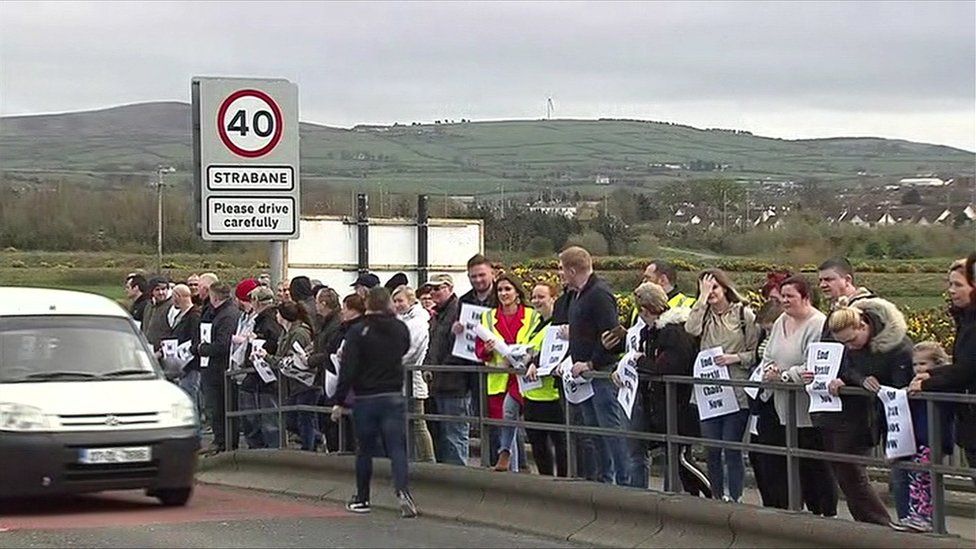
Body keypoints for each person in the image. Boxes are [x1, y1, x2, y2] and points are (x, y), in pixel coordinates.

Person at [825, 291, 914, 526]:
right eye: (843, 343)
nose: (849, 347)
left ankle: (904, 522)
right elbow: (846, 368)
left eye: (852, 341)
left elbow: (901, 385)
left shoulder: (899, 346)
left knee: (903, 472)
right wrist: (856, 379)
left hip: (897, 415)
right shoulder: (852, 346)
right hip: (868, 413)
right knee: (847, 466)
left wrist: (875, 382)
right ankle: (878, 522)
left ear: (864, 325)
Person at [332, 287, 417, 518]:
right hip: (393, 394)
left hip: (366, 398)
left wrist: (341, 400)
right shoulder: (400, 328)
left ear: (368, 304)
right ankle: (402, 490)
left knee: (365, 450)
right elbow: (405, 349)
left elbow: (348, 369)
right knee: (397, 447)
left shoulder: (358, 331)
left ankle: (362, 498)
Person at [621, 282, 711, 496]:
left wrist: (639, 361)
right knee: (677, 458)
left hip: (678, 404)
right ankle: (696, 496)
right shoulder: (656, 331)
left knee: (681, 457)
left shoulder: (672, 332)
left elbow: (667, 366)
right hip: (666, 404)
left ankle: (712, 492)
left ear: (644, 310)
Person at [760, 275, 837, 516]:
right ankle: (794, 508)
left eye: (790, 296)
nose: (784, 301)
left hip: (807, 408)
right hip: (780, 404)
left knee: (814, 463)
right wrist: (769, 370)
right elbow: (768, 354)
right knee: (785, 460)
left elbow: (813, 366)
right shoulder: (782, 319)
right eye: (782, 296)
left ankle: (824, 511)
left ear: (805, 297)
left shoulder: (818, 324)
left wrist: (784, 375)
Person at [558, 246, 633, 486]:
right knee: (595, 431)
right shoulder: (577, 295)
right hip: (584, 375)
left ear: (571, 270)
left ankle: (623, 482)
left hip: (600, 373)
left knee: (610, 430)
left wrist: (591, 361)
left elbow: (612, 336)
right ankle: (604, 479)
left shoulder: (599, 294)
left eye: (561, 269)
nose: (559, 274)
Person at [684, 269, 759, 503]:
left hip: (736, 391)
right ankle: (717, 495)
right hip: (708, 393)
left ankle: (734, 495)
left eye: (714, 287)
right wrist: (701, 300)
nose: (711, 293)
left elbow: (754, 353)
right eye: (705, 288)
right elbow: (691, 329)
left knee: (731, 447)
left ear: (725, 287)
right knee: (712, 448)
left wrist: (734, 358)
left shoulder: (743, 315)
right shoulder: (703, 314)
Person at [911, 254, 976, 486]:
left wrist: (928, 381)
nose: (951, 290)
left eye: (958, 285)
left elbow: (967, 370)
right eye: (950, 284)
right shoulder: (966, 320)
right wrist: (932, 374)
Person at [475, 274, 539, 472]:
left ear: (517, 292)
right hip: (498, 377)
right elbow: (479, 350)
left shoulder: (531, 315)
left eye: (508, 289)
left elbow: (538, 342)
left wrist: (526, 355)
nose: (503, 293)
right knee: (505, 423)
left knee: (510, 416)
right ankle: (514, 468)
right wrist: (487, 348)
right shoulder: (487, 317)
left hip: (523, 375)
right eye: (500, 290)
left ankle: (511, 461)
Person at [896, 341, 956, 532]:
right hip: (920, 436)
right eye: (915, 365)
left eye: (923, 364)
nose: (918, 369)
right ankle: (915, 514)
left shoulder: (940, 384)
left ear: (937, 364)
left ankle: (926, 517)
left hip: (934, 436)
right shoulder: (916, 384)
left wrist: (926, 385)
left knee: (924, 476)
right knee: (916, 476)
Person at [523, 281, 568, 477]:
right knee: (538, 445)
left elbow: (553, 351)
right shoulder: (534, 323)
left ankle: (563, 483)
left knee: (561, 445)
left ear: (553, 299)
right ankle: (545, 482)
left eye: (541, 297)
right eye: (534, 297)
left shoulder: (559, 324)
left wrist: (534, 359)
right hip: (532, 393)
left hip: (552, 394)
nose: (536, 301)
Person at [746, 298, 783, 508]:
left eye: (770, 331)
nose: (767, 335)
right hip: (759, 397)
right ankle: (768, 501)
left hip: (774, 401)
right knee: (757, 455)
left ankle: (779, 503)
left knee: (772, 458)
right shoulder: (765, 337)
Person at [392, 285, 436, 463]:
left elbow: (411, 350)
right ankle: (413, 458)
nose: (397, 304)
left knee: (417, 422)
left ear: (411, 300)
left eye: (400, 300)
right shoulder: (402, 320)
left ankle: (428, 459)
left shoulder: (417, 321)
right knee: (408, 422)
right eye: (395, 301)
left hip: (413, 377)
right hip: (401, 377)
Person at [197, 282, 240, 453]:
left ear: (214, 296)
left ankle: (225, 441)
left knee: (221, 406)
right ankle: (220, 439)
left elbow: (223, 344)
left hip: (219, 369)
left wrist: (202, 349)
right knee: (216, 407)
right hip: (212, 368)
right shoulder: (214, 312)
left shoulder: (227, 316)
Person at [320, 293, 366, 453]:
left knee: (348, 428)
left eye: (345, 308)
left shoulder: (358, 329)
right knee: (334, 426)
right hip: (334, 378)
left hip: (350, 385)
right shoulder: (343, 327)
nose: (342, 312)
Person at [238, 286, 283, 449]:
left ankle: (271, 449)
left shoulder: (268, 321)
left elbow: (273, 343)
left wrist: (258, 344)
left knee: (267, 417)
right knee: (255, 414)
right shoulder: (263, 319)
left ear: (257, 301)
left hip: (264, 374)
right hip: (257, 374)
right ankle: (262, 446)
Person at [307, 287, 344, 449]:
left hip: (331, 374)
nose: (315, 306)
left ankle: (335, 448)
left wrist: (312, 359)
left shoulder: (334, 324)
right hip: (325, 374)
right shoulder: (325, 322)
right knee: (325, 417)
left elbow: (330, 350)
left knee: (331, 419)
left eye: (317, 302)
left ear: (323, 303)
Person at [629, 260, 696, 325]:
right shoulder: (638, 305)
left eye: (648, 278)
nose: (644, 281)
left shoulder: (689, 305)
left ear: (662, 280)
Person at [166, 284, 201, 405]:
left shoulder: (194, 316)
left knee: (190, 398)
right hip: (182, 366)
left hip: (191, 366)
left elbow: (195, 339)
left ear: (177, 296)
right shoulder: (181, 316)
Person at [142, 275, 174, 353]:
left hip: (163, 353)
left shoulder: (171, 306)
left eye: (163, 289)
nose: (161, 292)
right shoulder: (149, 305)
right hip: (148, 349)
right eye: (157, 290)